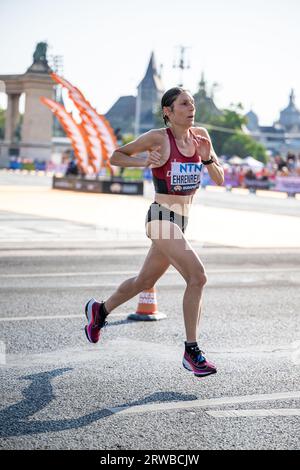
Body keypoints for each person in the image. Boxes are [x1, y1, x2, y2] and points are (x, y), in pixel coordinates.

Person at [84, 87, 224, 378]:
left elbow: (219, 179)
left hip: (182, 221)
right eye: (183, 104)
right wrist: (142, 162)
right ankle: (191, 350)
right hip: (160, 217)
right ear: (168, 112)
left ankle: (100, 311)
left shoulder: (201, 137)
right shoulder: (158, 138)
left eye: (192, 103)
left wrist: (208, 159)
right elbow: (115, 156)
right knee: (198, 276)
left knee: (143, 281)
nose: (191, 107)